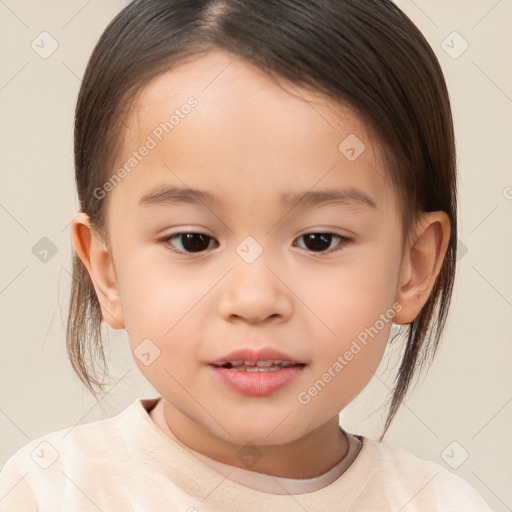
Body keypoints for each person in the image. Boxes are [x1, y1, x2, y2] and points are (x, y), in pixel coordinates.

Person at [0, 0, 493, 510]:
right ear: (107, 272)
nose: (255, 299)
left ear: (413, 268)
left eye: (319, 240)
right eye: (192, 240)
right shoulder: (49, 491)